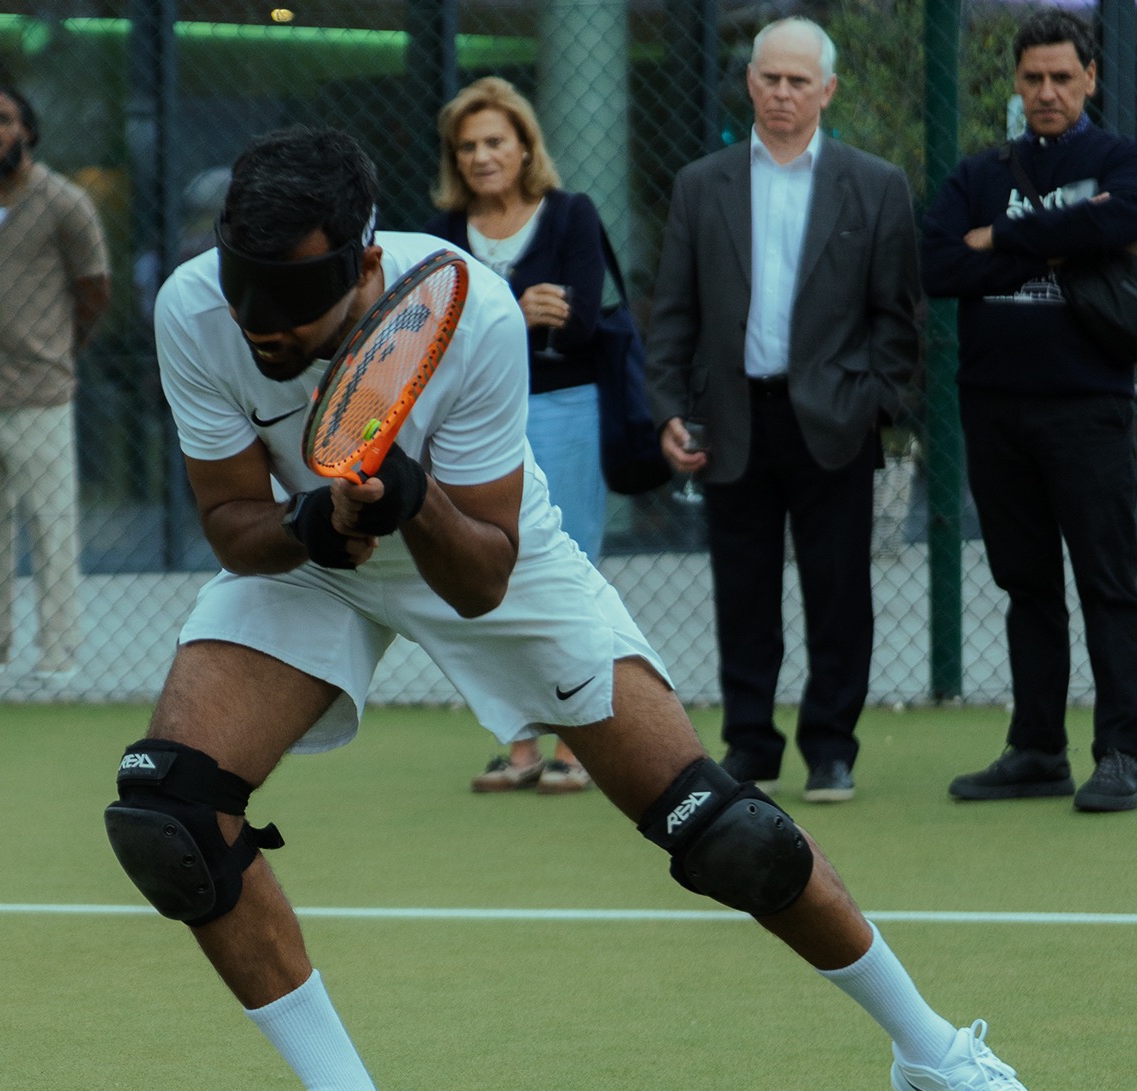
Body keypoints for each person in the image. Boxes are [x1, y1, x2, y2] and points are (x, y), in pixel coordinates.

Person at [104, 124, 1027, 1091]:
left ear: (365, 266)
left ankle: (931, 1052)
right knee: (169, 812)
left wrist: (409, 495)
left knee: (718, 828)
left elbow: (482, 577)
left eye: (292, 301)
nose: (261, 327)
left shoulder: (472, 312)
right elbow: (231, 523)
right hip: (315, 556)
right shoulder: (193, 309)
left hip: (481, 543)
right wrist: (311, 524)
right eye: (243, 289)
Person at [645, 17, 920, 805]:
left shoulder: (874, 184)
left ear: (826, 90)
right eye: (769, 78)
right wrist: (668, 407)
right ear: (749, 82)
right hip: (733, 418)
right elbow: (673, 312)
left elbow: (898, 317)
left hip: (833, 421)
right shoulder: (702, 184)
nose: (781, 93)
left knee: (838, 594)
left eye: (798, 81)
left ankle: (830, 748)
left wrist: (871, 402)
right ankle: (750, 744)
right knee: (742, 591)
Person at [922, 9, 1137, 813]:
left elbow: (1123, 216)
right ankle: (1037, 749)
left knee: (1110, 581)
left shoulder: (1117, 159)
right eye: (1032, 77)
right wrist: (1065, 239)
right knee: (1025, 581)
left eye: (1061, 77)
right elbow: (938, 264)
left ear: (1089, 79)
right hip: (993, 406)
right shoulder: (979, 172)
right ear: (1015, 82)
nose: (1046, 91)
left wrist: (1005, 238)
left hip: (1088, 406)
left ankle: (1123, 751)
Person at [423, 76, 605, 795]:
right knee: (486, 573)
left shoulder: (570, 216)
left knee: (564, 573)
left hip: (562, 408)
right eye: (467, 146)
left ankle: (577, 745)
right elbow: (427, 345)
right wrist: (513, 312)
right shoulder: (439, 235)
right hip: (468, 425)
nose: (481, 156)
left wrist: (486, 320)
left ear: (525, 146)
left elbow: (583, 325)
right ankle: (520, 746)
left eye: (495, 141)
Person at [0, 87, 110, 681]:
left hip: (40, 392)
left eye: (4, 120)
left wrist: (58, 350)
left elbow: (95, 290)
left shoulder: (65, 203)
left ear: (28, 131)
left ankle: (59, 647)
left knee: (52, 526)